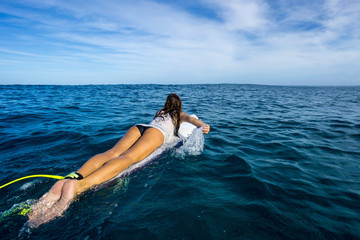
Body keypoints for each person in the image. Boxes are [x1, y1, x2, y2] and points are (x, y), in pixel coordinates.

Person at [27, 93, 210, 227]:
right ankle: (79, 186)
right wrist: (203, 126)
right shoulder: (179, 114)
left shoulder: (160, 111)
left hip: (140, 127)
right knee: (128, 158)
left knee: (112, 152)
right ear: (178, 105)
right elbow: (192, 121)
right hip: (157, 134)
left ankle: (77, 176)